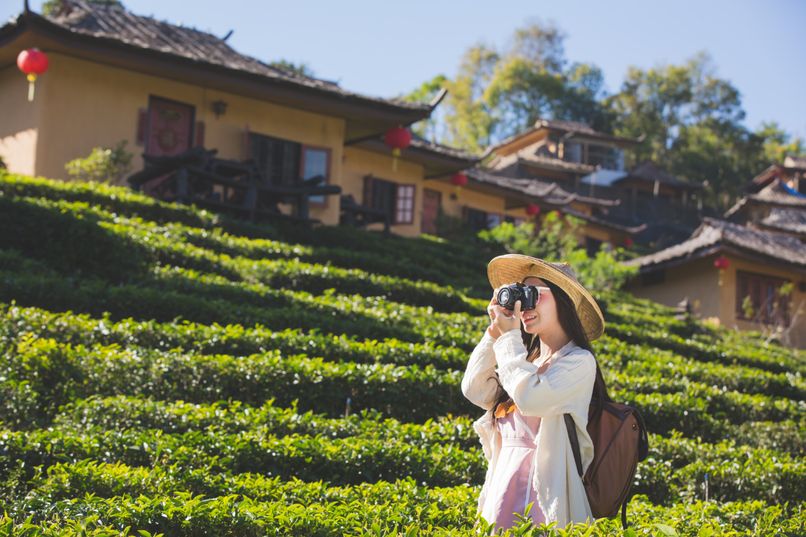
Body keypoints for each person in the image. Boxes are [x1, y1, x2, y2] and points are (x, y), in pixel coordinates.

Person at [461, 253, 606, 534]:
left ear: (563, 300)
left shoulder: (579, 362)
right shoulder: (523, 362)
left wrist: (509, 339)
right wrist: (494, 333)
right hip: (503, 489)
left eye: (533, 294)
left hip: (545, 497)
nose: (523, 304)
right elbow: (475, 390)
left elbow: (530, 399)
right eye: (520, 294)